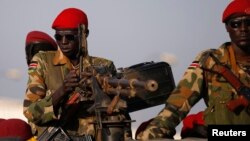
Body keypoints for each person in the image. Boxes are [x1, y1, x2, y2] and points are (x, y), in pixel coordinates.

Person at [137, 0, 250, 140]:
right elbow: (178, 104)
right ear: (227, 27)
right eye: (236, 24)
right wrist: (152, 132)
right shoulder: (210, 62)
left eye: (249, 22)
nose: (244, 29)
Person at [23, 7, 132, 140]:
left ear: (84, 34)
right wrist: (62, 90)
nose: (63, 42)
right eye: (58, 37)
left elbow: (120, 114)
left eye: (69, 37)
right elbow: (31, 113)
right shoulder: (43, 62)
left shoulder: (104, 66)